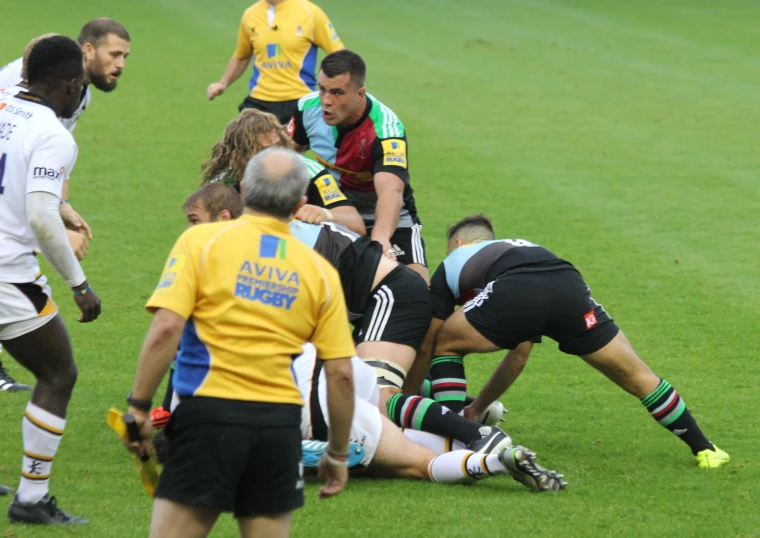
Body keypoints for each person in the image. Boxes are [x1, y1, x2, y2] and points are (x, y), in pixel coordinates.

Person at [123, 147, 356, 538]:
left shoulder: (201, 242)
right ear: (300, 204)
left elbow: (166, 329)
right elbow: (342, 374)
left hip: (208, 417)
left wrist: (139, 407)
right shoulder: (320, 271)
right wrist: (337, 453)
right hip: (278, 430)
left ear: (244, 190)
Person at [418, 214, 729, 470]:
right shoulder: (522, 248)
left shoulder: (454, 261)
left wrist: (407, 394)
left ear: (457, 244)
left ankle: (455, 436)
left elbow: (428, 341)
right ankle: (705, 448)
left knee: (446, 344)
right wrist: (479, 407)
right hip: (568, 284)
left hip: (516, 290)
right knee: (637, 375)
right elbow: (518, 358)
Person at [0, 35, 102, 525]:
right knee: (59, 374)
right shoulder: (54, 134)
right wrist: (79, 284)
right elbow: (41, 216)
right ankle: (32, 499)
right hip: (5, 272)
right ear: (71, 84)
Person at [295, 344, 566, 492]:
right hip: (349, 369)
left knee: (421, 465)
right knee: (394, 433)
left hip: (319, 402)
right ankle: (472, 426)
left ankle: (495, 462)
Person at [288, 50, 429, 282]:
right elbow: (282, 158)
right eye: (322, 88)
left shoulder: (386, 130)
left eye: (337, 92)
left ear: (359, 94)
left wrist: (381, 238)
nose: (326, 100)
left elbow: (391, 192)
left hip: (383, 215)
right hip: (330, 211)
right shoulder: (307, 109)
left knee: (417, 283)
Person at [201, 108, 365, 234]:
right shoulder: (221, 184)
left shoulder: (308, 172)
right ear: (240, 155)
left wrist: (326, 215)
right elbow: (201, 233)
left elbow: (357, 226)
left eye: (278, 146)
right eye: (264, 150)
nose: (276, 155)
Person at [207, 0, 344, 125]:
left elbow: (339, 54)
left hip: (298, 100)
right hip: (258, 101)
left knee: (291, 151)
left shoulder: (310, 13)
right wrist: (223, 83)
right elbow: (242, 56)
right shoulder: (250, 14)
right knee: (247, 149)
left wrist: (338, 91)